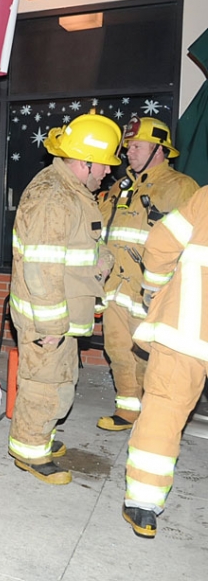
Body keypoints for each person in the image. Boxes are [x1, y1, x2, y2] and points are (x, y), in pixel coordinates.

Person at [8, 114, 122, 485]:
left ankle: (42, 434)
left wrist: (100, 258)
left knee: (59, 380)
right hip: (47, 319)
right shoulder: (55, 197)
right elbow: (41, 270)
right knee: (42, 383)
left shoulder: (70, 191)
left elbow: (73, 247)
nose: (107, 172)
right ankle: (30, 451)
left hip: (59, 315)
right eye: (104, 164)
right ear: (84, 161)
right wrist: (52, 327)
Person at [97, 116, 198, 432]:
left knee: (149, 355)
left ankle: (154, 416)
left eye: (137, 146)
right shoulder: (120, 186)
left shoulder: (180, 187)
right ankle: (128, 409)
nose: (129, 152)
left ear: (160, 149)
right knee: (117, 350)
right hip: (115, 288)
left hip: (151, 290)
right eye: (128, 146)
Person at [122, 186, 208, 538]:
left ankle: (142, 505)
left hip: (188, 326)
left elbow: (160, 243)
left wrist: (153, 288)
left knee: (163, 413)